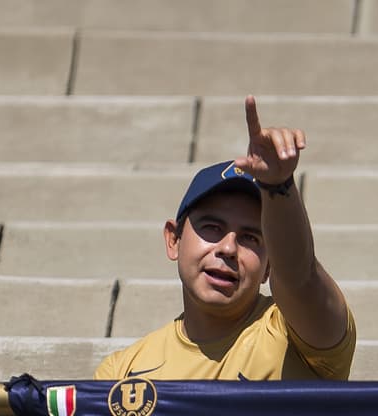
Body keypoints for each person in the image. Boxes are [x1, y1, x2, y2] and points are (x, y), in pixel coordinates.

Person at [95, 96, 355, 380]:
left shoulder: (295, 332)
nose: (229, 248)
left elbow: (299, 277)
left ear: (270, 265)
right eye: (212, 228)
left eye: (251, 238)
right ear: (173, 239)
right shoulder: (123, 373)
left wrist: (277, 185)